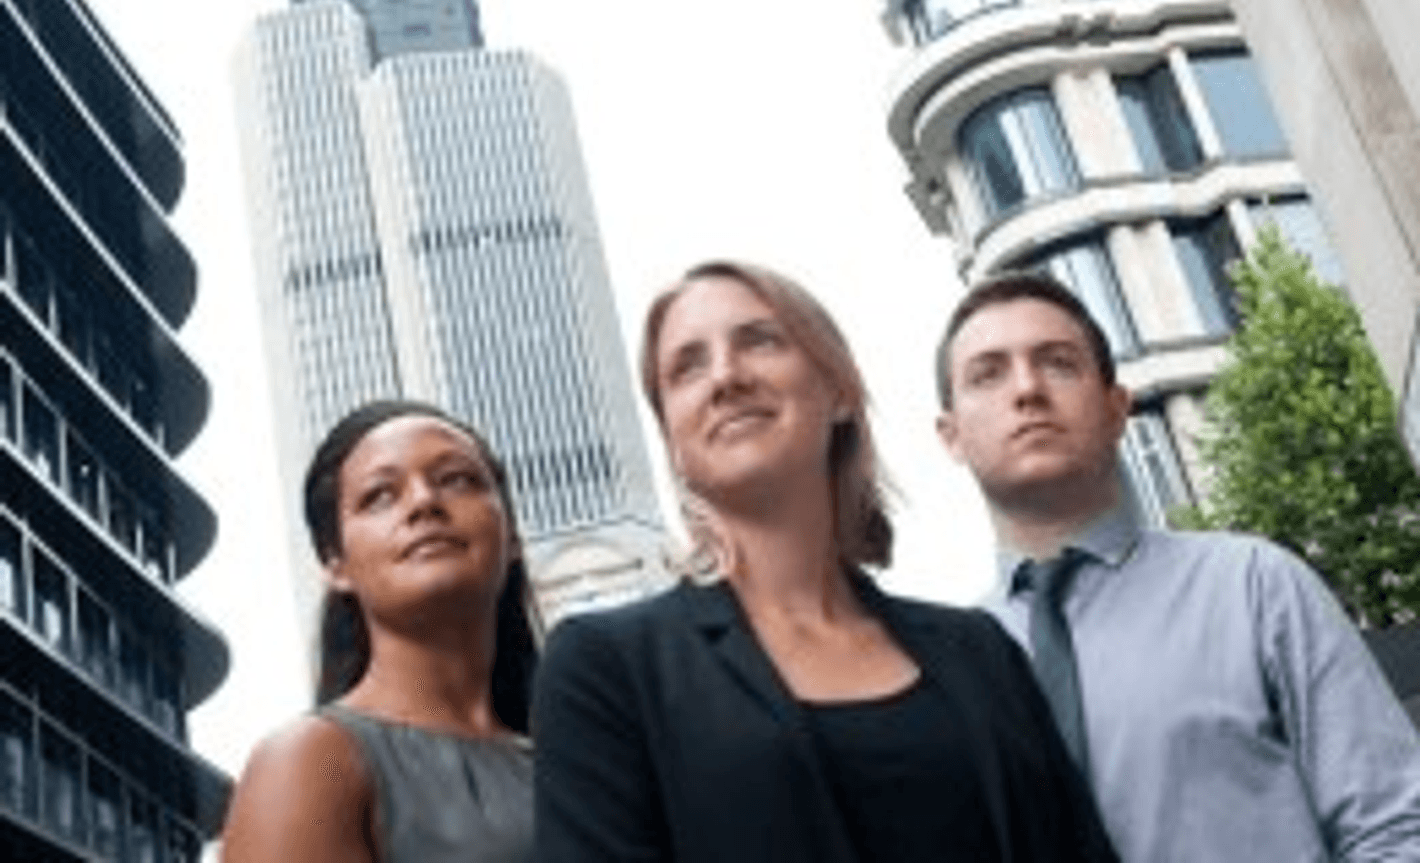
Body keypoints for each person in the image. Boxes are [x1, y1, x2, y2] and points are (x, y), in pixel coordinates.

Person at [534, 260, 1117, 863]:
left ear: (840, 391)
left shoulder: (981, 651)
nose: (726, 377)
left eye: (759, 341)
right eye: (687, 367)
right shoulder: (605, 669)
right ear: (673, 441)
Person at [934, 271, 1420, 862]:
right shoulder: (943, 674)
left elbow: (1394, 827)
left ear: (1117, 410)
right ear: (951, 435)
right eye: (988, 374)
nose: (1028, 389)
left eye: (1059, 363)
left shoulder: (1254, 586)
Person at [222, 400, 539, 863]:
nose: (424, 502)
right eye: (380, 496)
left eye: (457, 479)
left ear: (511, 535)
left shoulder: (586, 755)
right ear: (336, 565)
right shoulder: (309, 761)